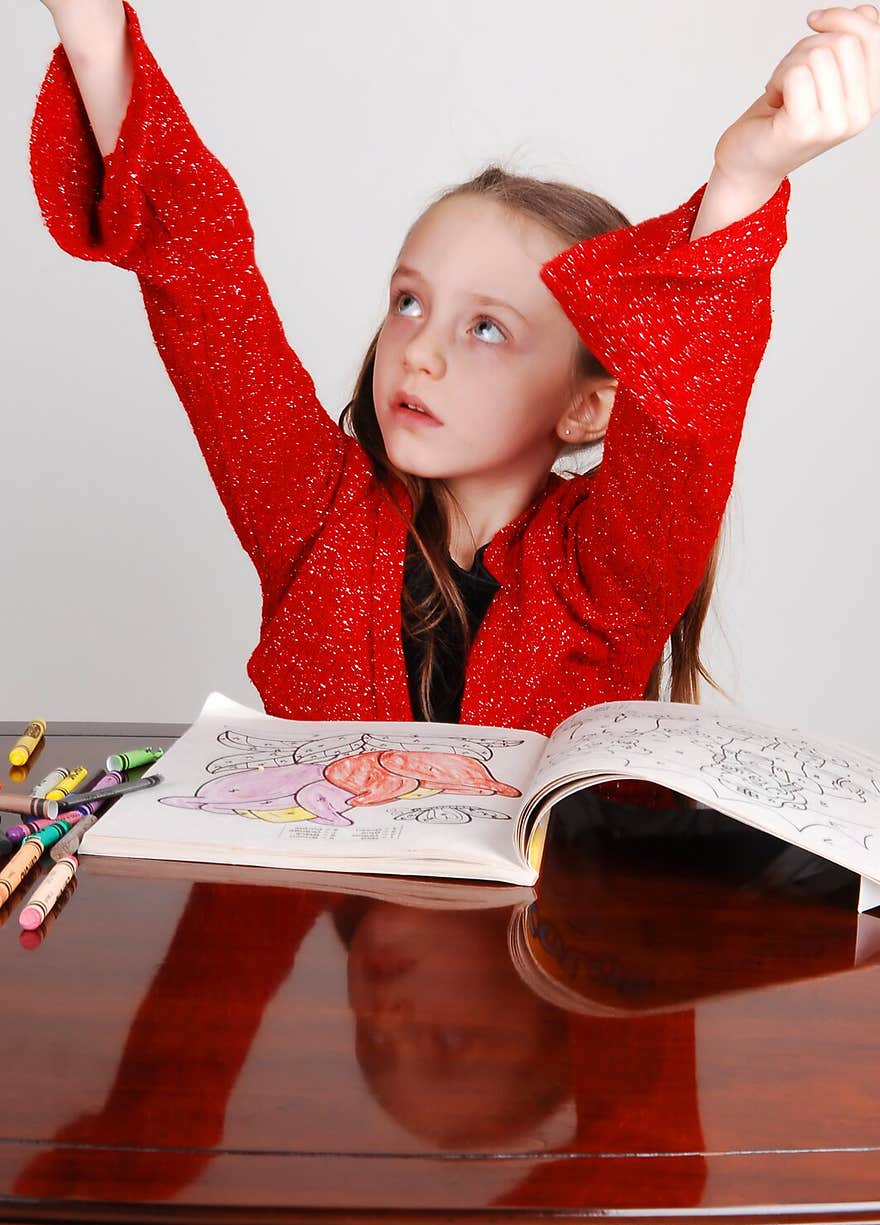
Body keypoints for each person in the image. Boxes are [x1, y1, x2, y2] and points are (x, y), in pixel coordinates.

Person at [29, 2, 880, 748]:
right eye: (408, 302)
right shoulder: (308, 511)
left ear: (588, 406)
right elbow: (207, 280)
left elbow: (684, 418)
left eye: (485, 327)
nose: (420, 350)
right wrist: (94, 29)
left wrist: (743, 178)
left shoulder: (606, 576)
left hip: (534, 937)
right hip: (327, 930)